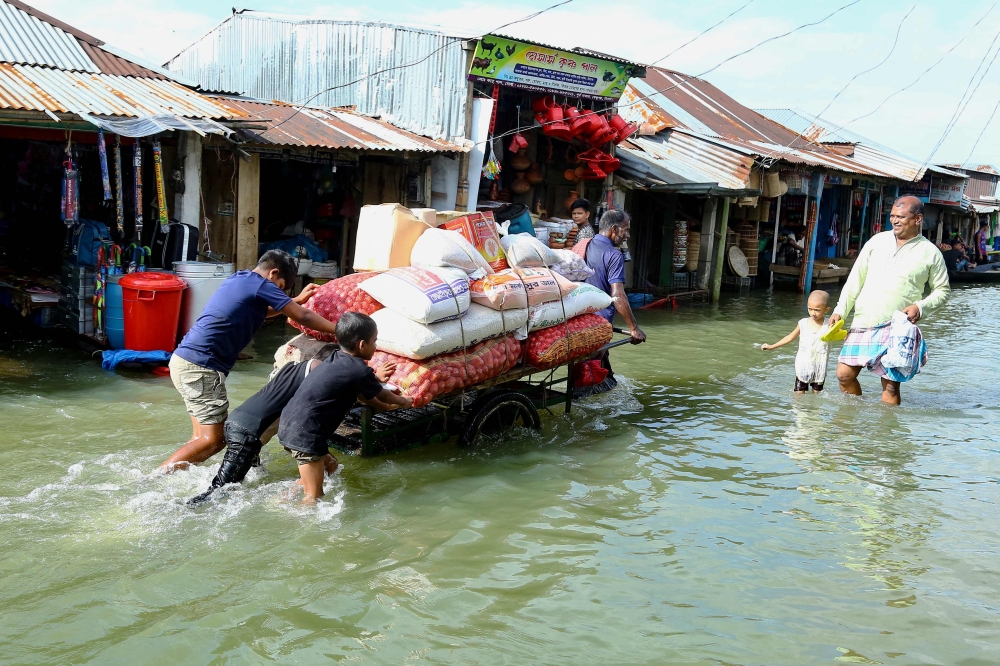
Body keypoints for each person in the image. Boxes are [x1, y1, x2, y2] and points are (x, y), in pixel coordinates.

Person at [161, 250, 340, 470]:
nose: (279, 292)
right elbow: (302, 316)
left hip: (185, 361)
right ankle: (156, 479)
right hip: (201, 367)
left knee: (200, 439)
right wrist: (343, 330)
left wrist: (294, 300)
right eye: (281, 287)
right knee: (214, 441)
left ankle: (172, 475)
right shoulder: (260, 285)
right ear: (273, 273)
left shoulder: (240, 279)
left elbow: (259, 312)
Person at [188, 351, 397, 504]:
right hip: (249, 433)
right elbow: (353, 388)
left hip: (240, 423)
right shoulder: (317, 373)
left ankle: (281, 500)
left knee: (328, 464)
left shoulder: (291, 369)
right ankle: (187, 509)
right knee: (218, 494)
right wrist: (375, 380)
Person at [277, 312, 412, 501]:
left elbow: (366, 391)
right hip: (306, 434)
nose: (375, 346)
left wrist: (378, 394)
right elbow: (381, 393)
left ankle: (280, 500)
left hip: (289, 424)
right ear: (362, 345)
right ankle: (298, 517)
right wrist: (403, 401)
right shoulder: (359, 369)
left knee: (330, 465)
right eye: (374, 341)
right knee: (314, 498)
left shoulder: (335, 358)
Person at [830, 196, 950, 405]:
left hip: (897, 327)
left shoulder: (930, 252)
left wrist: (920, 308)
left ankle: (884, 435)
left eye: (901, 217)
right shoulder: (876, 241)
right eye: (892, 216)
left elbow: (943, 290)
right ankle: (854, 418)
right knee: (844, 375)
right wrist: (840, 310)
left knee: (891, 386)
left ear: (918, 219)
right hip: (864, 320)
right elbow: (854, 280)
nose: (895, 221)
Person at [760, 290, 833, 394]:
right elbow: (790, 337)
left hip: (819, 366)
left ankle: (812, 410)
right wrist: (772, 346)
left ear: (826, 310)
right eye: (810, 309)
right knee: (799, 393)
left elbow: (841, 335)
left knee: (817, 394)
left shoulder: (829, 324)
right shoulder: (803, 323)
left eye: (817, 310)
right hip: (803, 365)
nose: (813, 313)